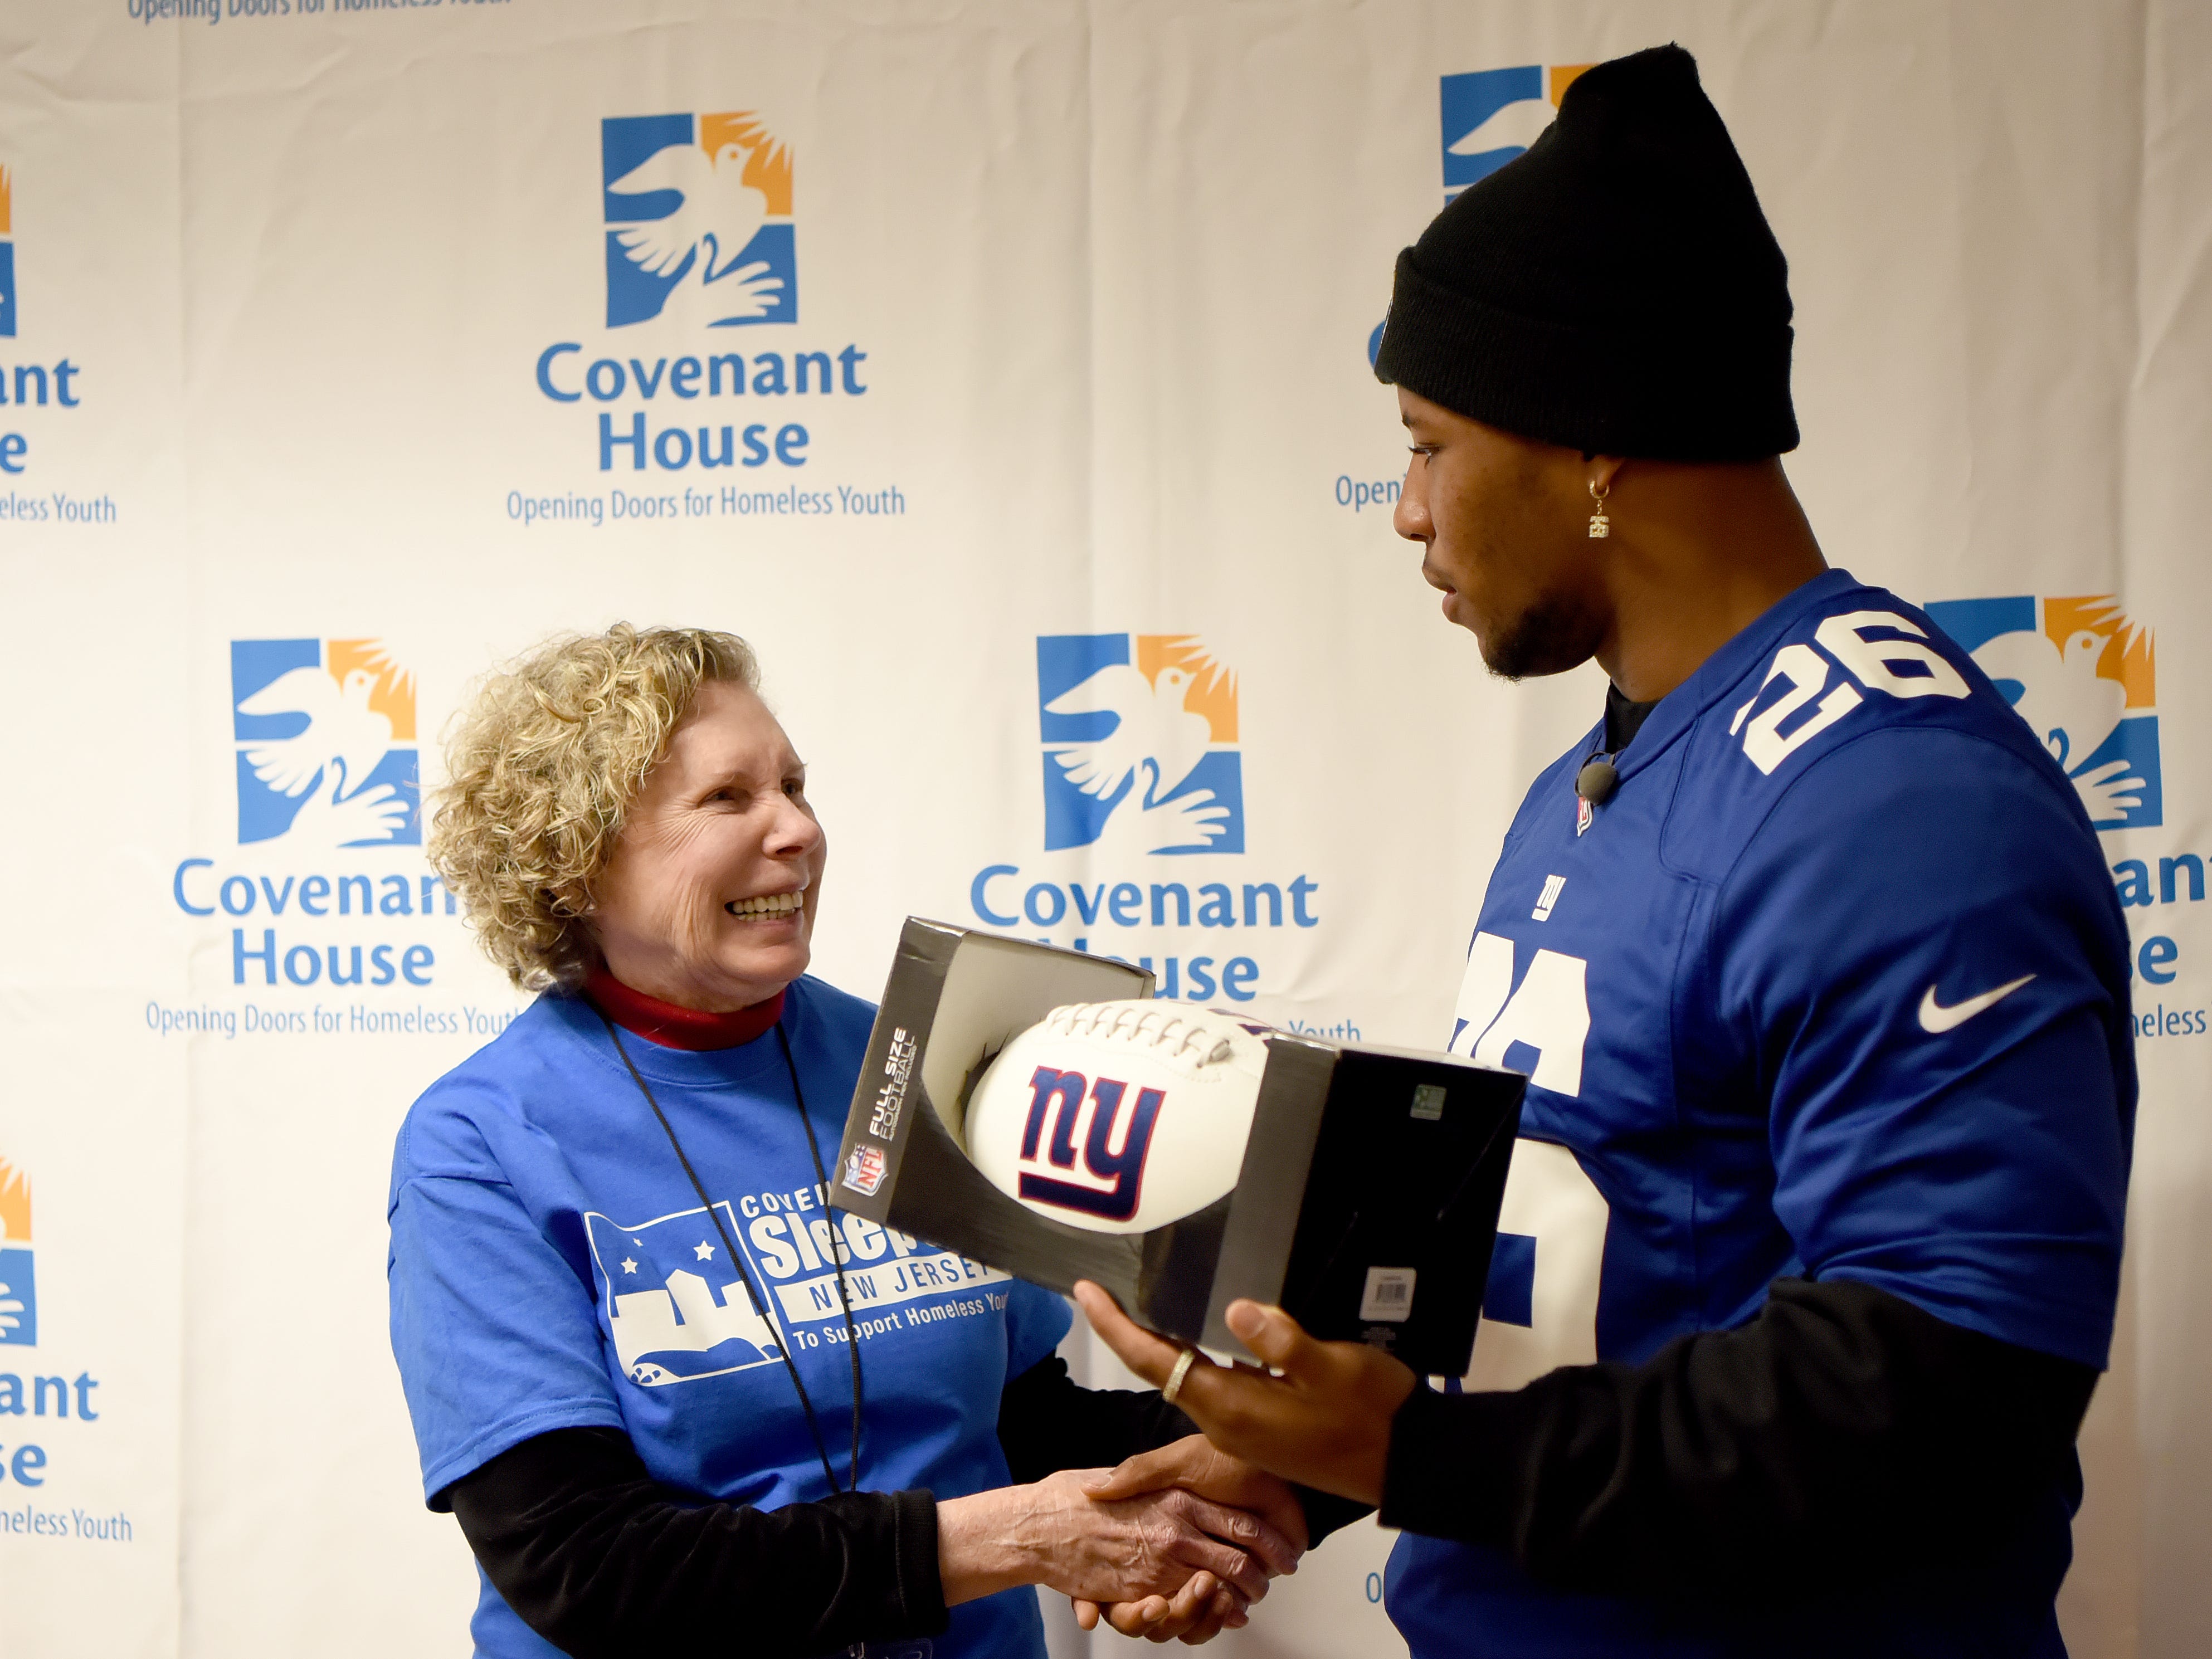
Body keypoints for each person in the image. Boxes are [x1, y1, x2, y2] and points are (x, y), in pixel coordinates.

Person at [1078, 43, 2133, 1659]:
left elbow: (1947, 1386)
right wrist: (1312, 1472)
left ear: (1592, 444)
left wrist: (1413, 1455)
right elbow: (1616, 1295)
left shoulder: (1901, 807)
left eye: (1430, 441)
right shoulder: (1619, 755)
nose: (1407, 508)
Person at [387, 623, 1310, 1659]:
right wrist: (1028, 1535)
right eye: (728, 798)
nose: (796, 829)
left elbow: (1010, 1423)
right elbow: (585, 1566)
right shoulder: (481, 1139)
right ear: (576, 856)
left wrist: (1225, 1490)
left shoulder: (912, 1060)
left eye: (794, 784)